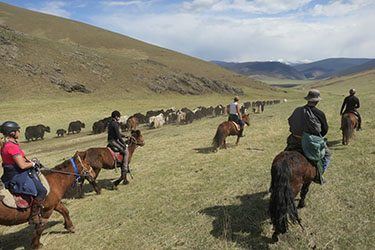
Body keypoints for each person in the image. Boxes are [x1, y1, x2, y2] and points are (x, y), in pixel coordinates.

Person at [0, 121, 47, 224]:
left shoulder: (4, 144)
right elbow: (22, 165)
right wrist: (33, 164)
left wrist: (28, 162)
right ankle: (34, 217)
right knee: (42, 191)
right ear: (12, 133)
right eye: (17, 130)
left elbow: (14, 161)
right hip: (18, 175)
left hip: (8, 174)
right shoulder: (12, 146)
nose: (19, 132)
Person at [285, 89, 331, 184]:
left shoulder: (297, 110)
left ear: (308, 99)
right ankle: (319, 175)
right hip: (311, 143)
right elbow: (325, 130)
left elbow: (290, 122)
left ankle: (273, 185)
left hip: (295, 139)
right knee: (327, 154)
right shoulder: (319, 113)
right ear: (317, 101)